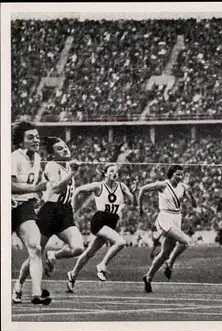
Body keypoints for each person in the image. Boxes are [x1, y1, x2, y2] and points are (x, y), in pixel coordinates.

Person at [13, 137, 84, 301]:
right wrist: (73, 172)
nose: (65, 149)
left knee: (78, 248)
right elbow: (58, 188)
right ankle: (19, 285)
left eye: (65, 146)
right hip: (49, 212)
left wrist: (71, 170)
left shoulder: (67, 166)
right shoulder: (52, 166)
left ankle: (54, 255)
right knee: (35, 253)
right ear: (52, 154)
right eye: (59, 148)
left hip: (65, 211)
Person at [66, 163, 136, 293]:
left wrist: (131, 192)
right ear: (105, 173)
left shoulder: (122, 186)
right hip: (100, 220)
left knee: (90, 253)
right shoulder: (99, 186)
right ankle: (102, 264)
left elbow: (132, 202)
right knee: (120, 242)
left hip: (112, 222)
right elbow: (78, 190)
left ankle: (72, 274)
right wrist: (72, 209)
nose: (114, 173)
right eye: (111, 171)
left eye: (116, 171)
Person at [138, 165, 198, 293]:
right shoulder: (163, 185)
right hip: (165, 217)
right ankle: (170, 264)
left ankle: (148, 277)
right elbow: (142, 189)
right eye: (178, 174)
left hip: (177, 217)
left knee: (165, 253)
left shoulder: (183, 187)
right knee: (185, 241)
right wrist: (140, 209)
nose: (180, 177)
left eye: (182, 175)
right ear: (171, 174)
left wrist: (191, 195)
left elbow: (194, 205)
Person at [11, 122, 51, 305]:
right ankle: (17, 287)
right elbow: (9, 185)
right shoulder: (14, 157)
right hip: (6, 206)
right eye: (30, 137)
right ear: (20, 142)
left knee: (36, 247)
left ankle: (36, 293)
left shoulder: (37, 158)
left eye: (36, 136)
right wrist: (34, 188)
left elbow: (31, 187)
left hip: (24, 207)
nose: (36, 140)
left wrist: (37, 194)